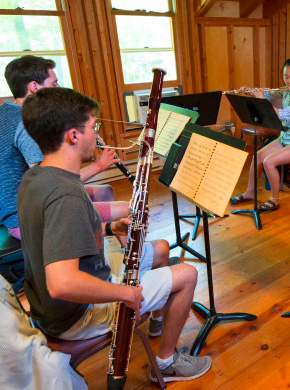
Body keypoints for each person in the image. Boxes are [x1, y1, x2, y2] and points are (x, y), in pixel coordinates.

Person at [18, 88, 212, 383]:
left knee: (159, 249)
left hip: (50, 306)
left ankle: (158, 320)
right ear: (73, 136)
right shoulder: (65, 195)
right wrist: (126, 293)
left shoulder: (35, 177)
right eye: (92, 127)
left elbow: (54, 237)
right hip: (75, 315)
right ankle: (168, 362)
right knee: (187, 274)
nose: (96, 135)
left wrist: (110, 228)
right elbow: (62, 283)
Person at [0, 55, 124, 240]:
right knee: (128, 209)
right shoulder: (25, 124)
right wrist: (98, 165)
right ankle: (130, 262)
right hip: (26, 216)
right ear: (34, 87)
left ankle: (120, 252)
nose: (58, 89)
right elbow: (51, 184)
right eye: (55, 83)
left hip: (27, 203)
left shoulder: (7, 111)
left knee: (106, 191)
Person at [229, 57, 290, 212]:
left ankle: (274, 199)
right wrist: (250, 92)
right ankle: (250, 193)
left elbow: (284, 114)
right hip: (286, 137)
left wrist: (262, 101)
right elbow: (267, 96)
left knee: (268, 162)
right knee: (257, 157)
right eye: (286, 77)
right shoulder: (286, 91)